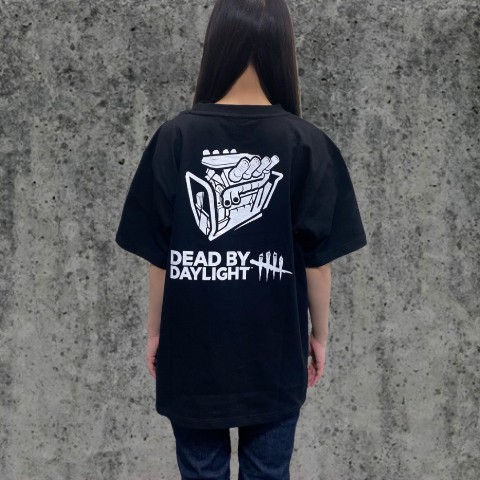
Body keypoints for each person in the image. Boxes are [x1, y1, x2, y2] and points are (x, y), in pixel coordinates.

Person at [114, 0, 367, 478]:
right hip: (274, 357)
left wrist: (155, 333)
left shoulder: (174, 138)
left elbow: (159, 259)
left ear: (215, 47)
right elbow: (318, 263)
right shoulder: (306, 143)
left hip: (191, 358)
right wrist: (318, 337)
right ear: (283, 51)